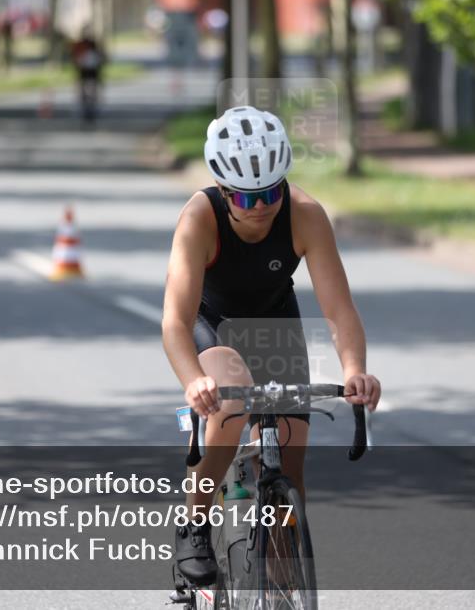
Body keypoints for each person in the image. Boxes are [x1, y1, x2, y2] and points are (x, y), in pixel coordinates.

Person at [161, 106, 382, 583]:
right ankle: (194, 524)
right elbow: (175, 322)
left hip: (275, 328)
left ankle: (282, 584)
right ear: (223, 190)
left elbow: (340, 311)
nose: (259, 205)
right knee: (229, 404)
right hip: (212, 326)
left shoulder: (304, 215)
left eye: (270, 191)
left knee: (288, 472)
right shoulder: (199, 218)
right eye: (244, 197)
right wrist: (193, 380)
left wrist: (354, 370)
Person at [71, 27, 104, 122]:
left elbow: (101, 57)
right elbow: (74, 57)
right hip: (83, 72)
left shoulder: (94, 44)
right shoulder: (79, 44)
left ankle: (92, 108)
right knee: (83, 91)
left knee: (92, 91)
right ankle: (85, 108)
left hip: (93, 73)